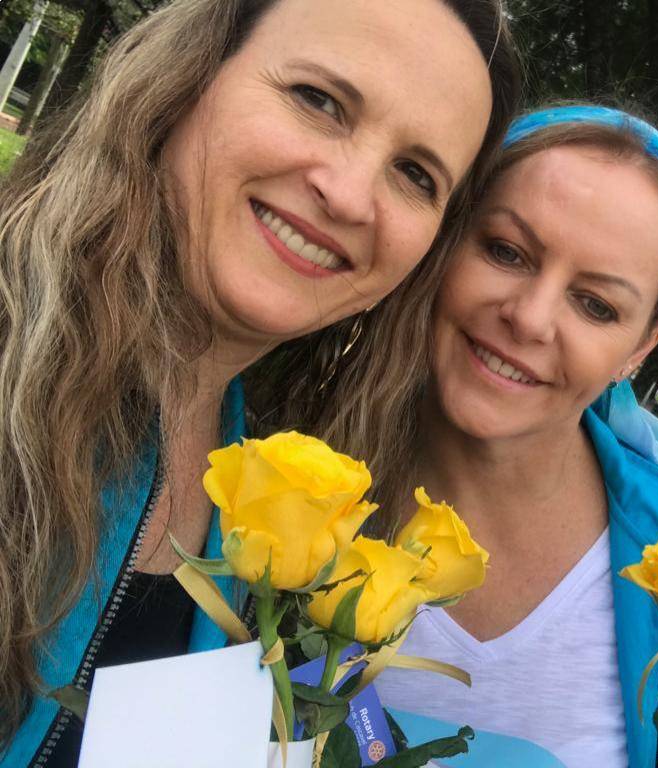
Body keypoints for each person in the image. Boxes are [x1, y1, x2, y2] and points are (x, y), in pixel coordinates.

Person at [0, 1, 520, 764]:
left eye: (415, 174)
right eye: (319, 100)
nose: (350, 195)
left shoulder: (281, 494)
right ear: (186, 77)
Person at [371, 106, 658, 767]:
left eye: (596, 305)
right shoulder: (281, 470)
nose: (530, 319)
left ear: (642, 346)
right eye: (505, 252)